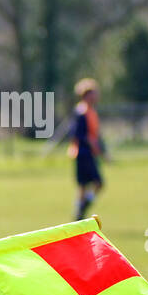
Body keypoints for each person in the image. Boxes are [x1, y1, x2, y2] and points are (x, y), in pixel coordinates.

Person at [65, 78, 106, 221]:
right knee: (93, 183)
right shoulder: (81, 112)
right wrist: (93, 145)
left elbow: (96, 134)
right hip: (83, 153)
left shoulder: (91, 112)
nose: (96, 96)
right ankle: (80, 212)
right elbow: (78, 135)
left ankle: (80, 211)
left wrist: (101, 149)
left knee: (89, 185)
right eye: (93, 93)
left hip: (90, 153)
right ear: (86, 95)